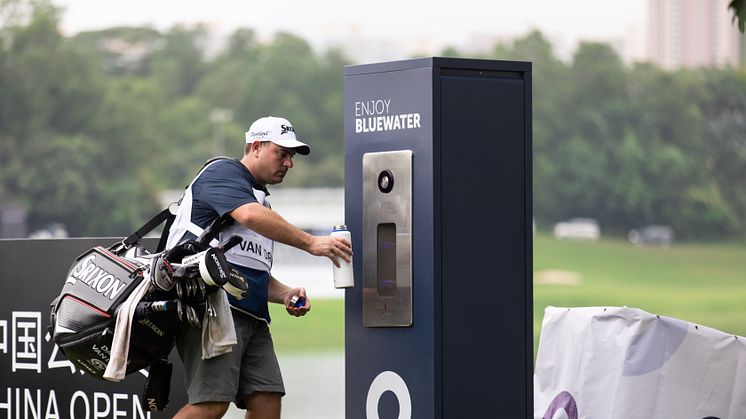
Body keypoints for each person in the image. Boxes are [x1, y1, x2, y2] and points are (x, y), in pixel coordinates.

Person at [168, 115, 352, 419]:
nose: (289, 163)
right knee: (211, 405)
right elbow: (250, 217)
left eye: (291, 156)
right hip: (212, 308)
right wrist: (311, 243)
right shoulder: (224, 172)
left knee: (267, 401)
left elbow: (247, 272)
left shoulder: (260, 201)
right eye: (281, 153)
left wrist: (284, 294)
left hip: (252, 317)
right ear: (255, 147)